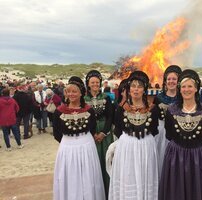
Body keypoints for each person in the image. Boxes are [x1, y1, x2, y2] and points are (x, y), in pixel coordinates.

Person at [159, 69, 202, 200]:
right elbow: (169, 134)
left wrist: (194, 147)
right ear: (180, 89)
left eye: (190, 86)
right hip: (176, 156)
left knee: (199, 189)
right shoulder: (171, 110)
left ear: (196, 88)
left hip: (198, 156)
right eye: (184, 86)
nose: (187, 89)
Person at [53, 76, 105, 200]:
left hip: (86, 145)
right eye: (68, 91)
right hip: (67, 147)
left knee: (88, 176)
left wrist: (82, 140)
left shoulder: (89, 110)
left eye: (74, 91)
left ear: (81, 93)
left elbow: (92, 128)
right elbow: (57, 134)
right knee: (70, 176)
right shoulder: (59, 112)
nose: (71, 94)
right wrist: (70, 143)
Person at [109, 71, 159, 200]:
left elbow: (154, 129)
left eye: (139, 86)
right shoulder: (121, 108)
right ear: (129, 89)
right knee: (128, 176)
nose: (136, 89)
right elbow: (118, 130)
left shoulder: (153, 109)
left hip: (146, 146)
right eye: (133, 86)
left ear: (144, 89)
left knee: (145, 176)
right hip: (127, 147)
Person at [84, 70, 114, 199]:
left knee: (106, 161)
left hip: (105, 134)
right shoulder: (83, 99)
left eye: (97, 82)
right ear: (88, 84)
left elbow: (110, 117)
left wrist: (103, 132)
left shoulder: (106, 98)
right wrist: (92, 133)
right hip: (90, 134)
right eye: (93, 82)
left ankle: (109, 192)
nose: (95, 84)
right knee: (94, 163)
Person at [153, 65, 182, 176]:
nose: (171, 81)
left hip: (177, 130)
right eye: (169, 79)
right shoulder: (158, 98)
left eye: (174, 79)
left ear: (178, 81)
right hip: (161, 132)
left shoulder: (182, 98)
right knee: (161, 158)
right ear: (165, 81)